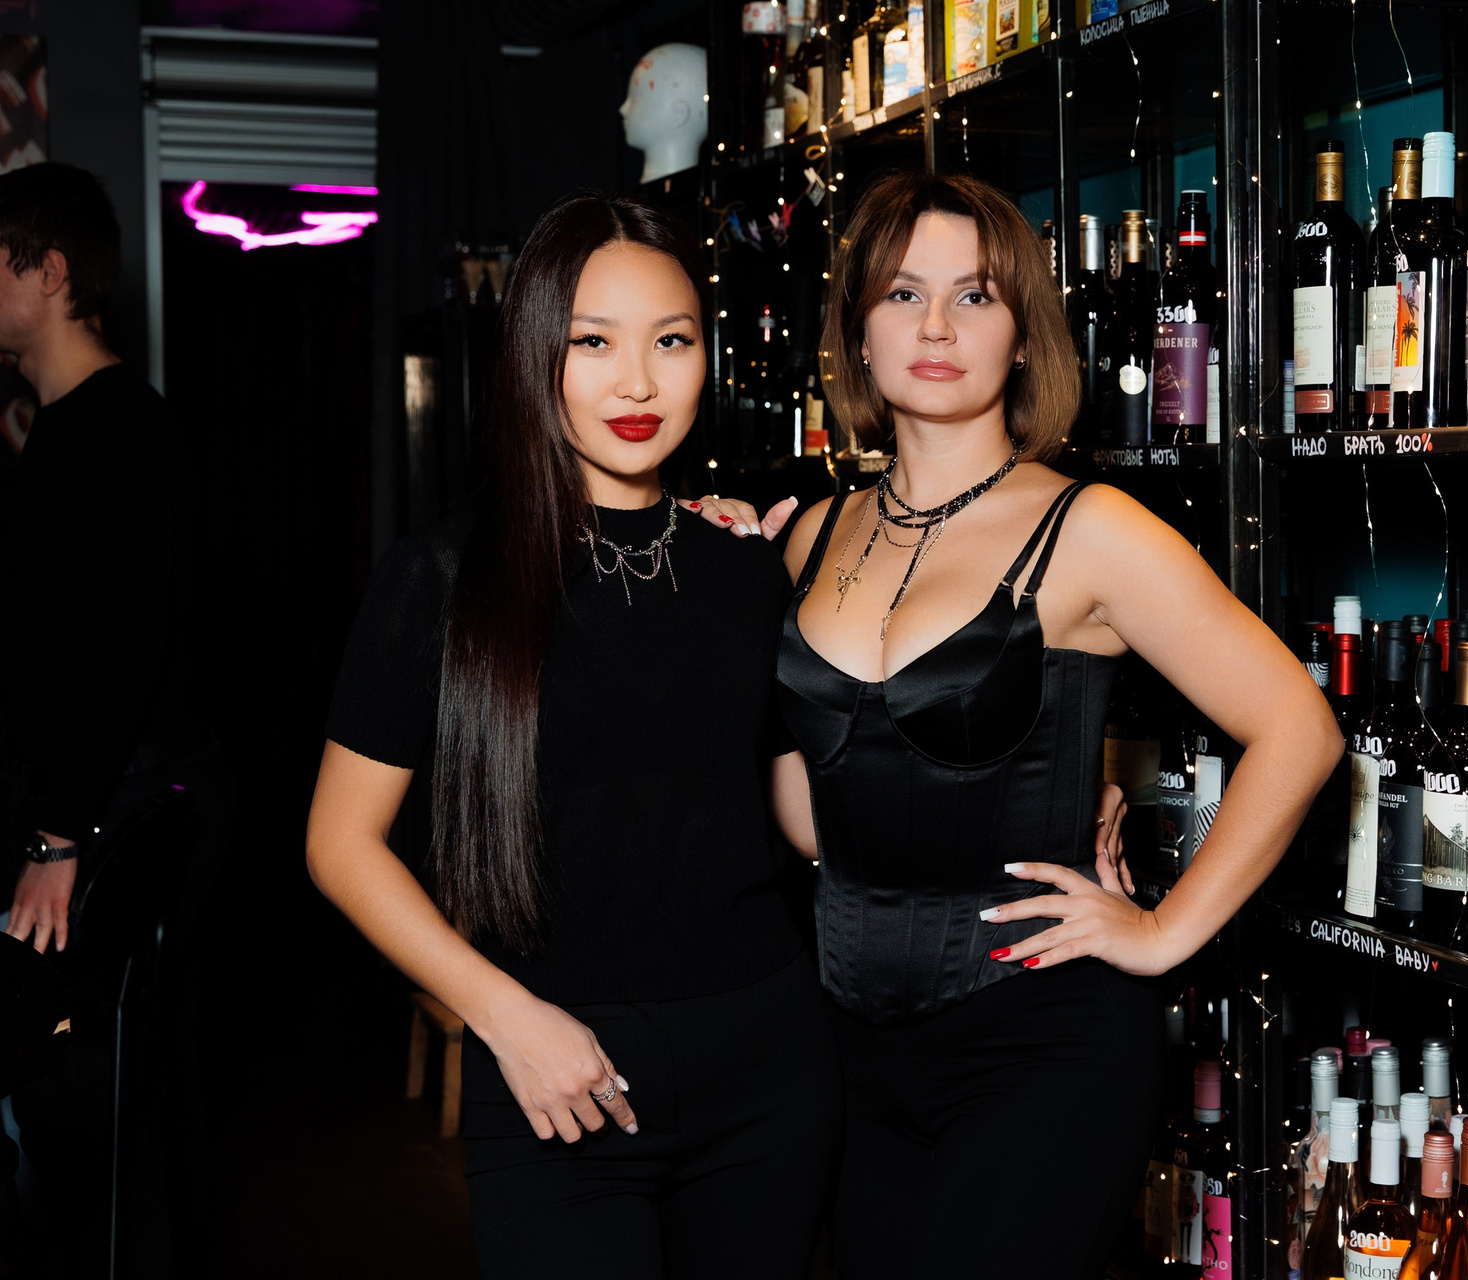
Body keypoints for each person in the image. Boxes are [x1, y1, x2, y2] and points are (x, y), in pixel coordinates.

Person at [306, 191, 1129, 1277]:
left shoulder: (749, 567)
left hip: (770, 1079)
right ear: (533, 355)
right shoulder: (443, 578)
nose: (637, 383)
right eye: (592, 342)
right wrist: (503, 1017)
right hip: (556, 1079)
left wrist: (1044, 793)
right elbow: (340, 844)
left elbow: (820, 802)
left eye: (672, 341)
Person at [771, 171, 1345, 1279]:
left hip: (1037, 1044)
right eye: (902, 294)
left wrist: (1163, 932)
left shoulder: (1094, 530)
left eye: (975, 296)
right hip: (845, 1047)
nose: (937, 327)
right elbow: (808, 813)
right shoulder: (813, 535)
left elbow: (1299, 727)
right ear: (857, 333)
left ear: (1025, 336)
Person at [0, 160, 229, 1276]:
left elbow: (127, 652)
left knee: (81, 1099)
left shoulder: (119, 431)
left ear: (47, 272)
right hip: (90, 804)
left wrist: (59, 838)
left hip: (115, 812)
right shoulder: (63, 429)